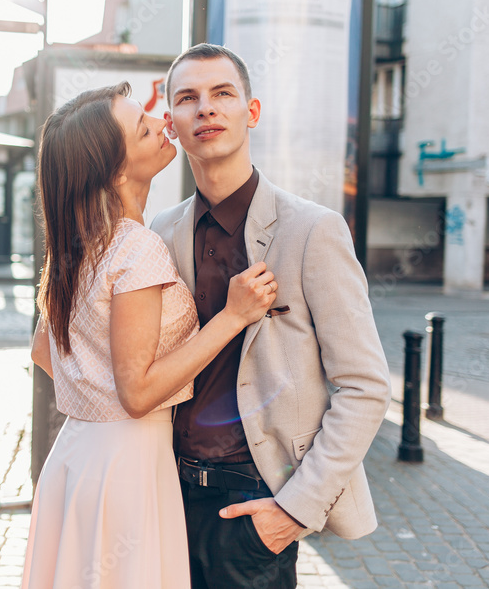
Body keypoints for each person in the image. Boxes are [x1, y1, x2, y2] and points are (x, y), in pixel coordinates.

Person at [151, 43, 392, 588]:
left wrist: (294, 511)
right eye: (188, 98)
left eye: (222, 94)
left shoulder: (313, 231)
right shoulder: (159, 232)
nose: (205, 109)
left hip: (255, 501)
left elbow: (366, 386)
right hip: (166, 493)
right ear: (171, 124)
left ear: (250, 112)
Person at [22, 82, 279, 589]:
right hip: (128, 464)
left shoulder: (80, 246)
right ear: (117, 170)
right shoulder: (137, 247)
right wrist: (232, 316)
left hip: (79, 457)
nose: (164, 124)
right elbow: (137, 393)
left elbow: (42, 352)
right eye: (144, 128)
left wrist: (98, 403)